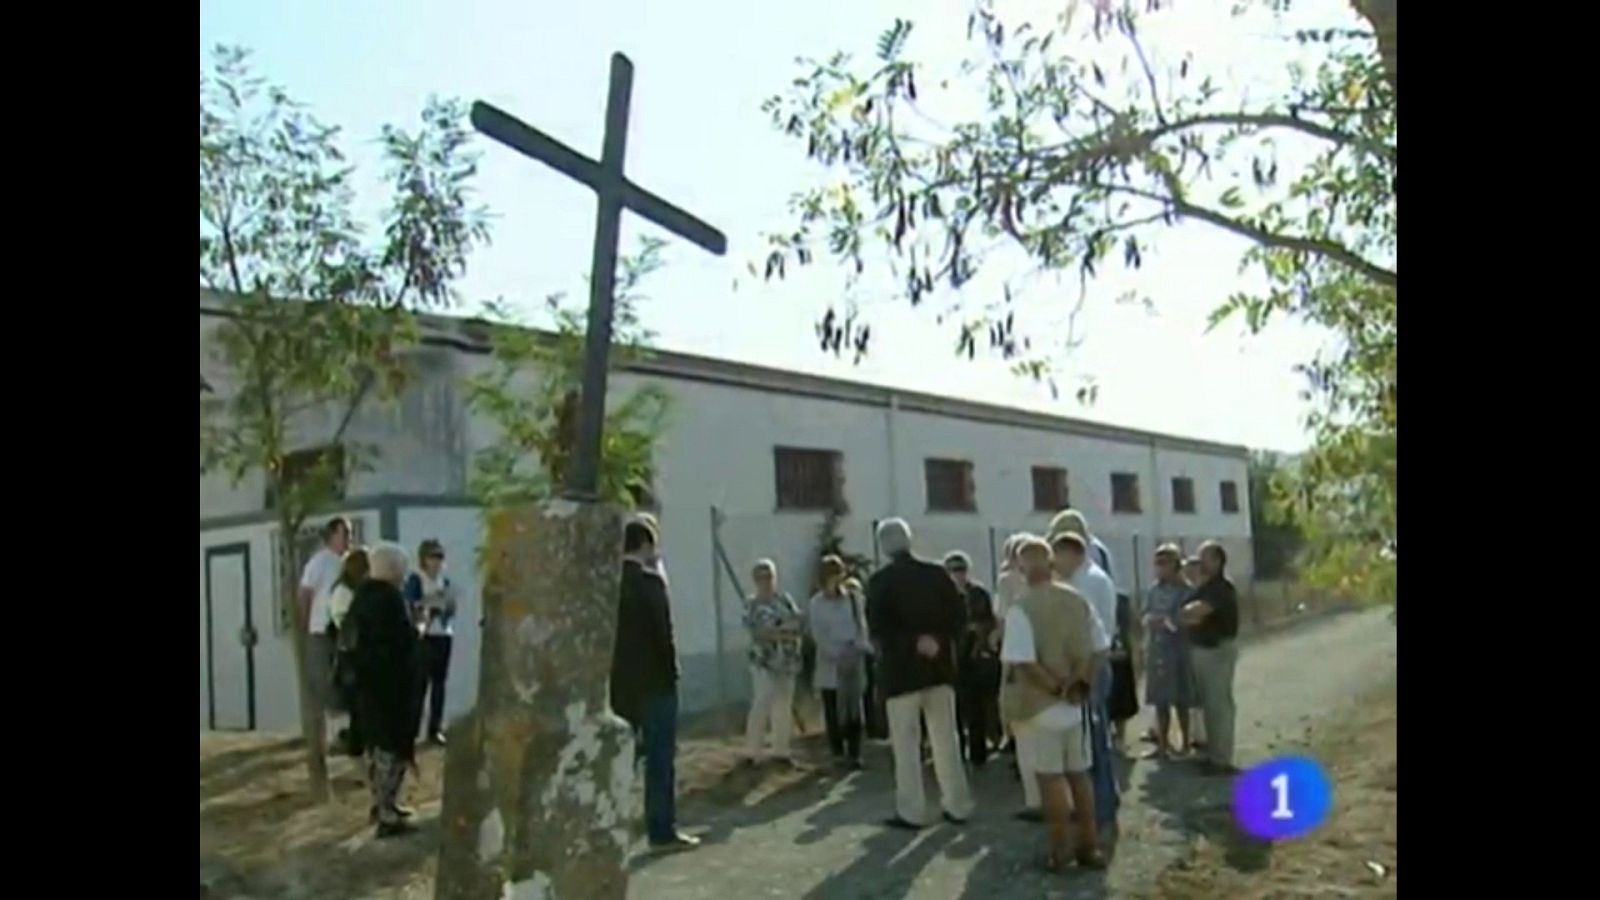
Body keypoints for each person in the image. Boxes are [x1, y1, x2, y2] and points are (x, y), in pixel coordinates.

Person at [1000, 535, 1106, 871]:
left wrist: (1056, 687)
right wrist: (1079, 683)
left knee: (1050, 779)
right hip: (1075, 704)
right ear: (1050, 563)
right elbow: (1097, 648)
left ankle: (1061, 852)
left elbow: (1024, 663)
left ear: (1020, 568)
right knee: (1080, 776)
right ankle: (1090, 847)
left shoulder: (1021, 608)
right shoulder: (1077, 600)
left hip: (1040, 704)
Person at [866, 518, 974, 829]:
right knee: (946, 739)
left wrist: (912, 642)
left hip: (901, 674)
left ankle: (912, 810)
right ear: (909, 540)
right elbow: (959, 615)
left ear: (884, 546)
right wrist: (938, 640)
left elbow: (879, 630)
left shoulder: (880, 582)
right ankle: (958, 804)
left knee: (906, 744)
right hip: (939, 669)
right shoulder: (937, 574)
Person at [610, 519, 699, 852]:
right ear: (645, 546)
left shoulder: (607, 583)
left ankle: (611, 828)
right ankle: (660, 829)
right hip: (655, 683)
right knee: (660, 759)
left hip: (619, 684)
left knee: (621, 757)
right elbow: (664, 633)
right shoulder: (651, 583)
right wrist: (672, 671)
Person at [1046, 529, 1120, 835]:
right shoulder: (1085, 579)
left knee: (1093, 741)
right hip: (1088, 665)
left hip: (1090, 667)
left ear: (1071, 553)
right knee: (1091, 740)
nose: (1054, 563)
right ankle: (1099, 803)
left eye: (1057, 556)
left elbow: (1087, 635)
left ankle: (1099, 809)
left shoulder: (1089, 582)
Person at [346, 542, 420, 838]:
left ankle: (383, 805)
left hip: (367, 685)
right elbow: (401, 641)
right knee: (392, 748)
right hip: (390, 686)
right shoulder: (389, 599)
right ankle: (387, 812)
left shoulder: (361, 597)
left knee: (379, 749)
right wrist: (419, 631)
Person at [1181, 541, 1241, 776]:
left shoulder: (1221, 588)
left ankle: (1221, 759)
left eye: (1204, 557)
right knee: (1206, 705)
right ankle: (1212, 753)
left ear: (1217, 561)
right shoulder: (1203, 586)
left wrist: (1189, 614)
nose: (1199, 560)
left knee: (1218, 705)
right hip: (1202, 649)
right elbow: (1187, 613)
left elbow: (1195, 612)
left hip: (1216, 650)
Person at [808, 555, 871, 770]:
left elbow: (862, 627)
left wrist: (857, 648)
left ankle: (854, 753)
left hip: (853, 658)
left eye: (838, 576)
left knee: (853, 708)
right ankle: (837, 752)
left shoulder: (853, 599)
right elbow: (818, 634)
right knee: (833, 708)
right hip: (831, 662)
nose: (835, 581)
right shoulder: (816, 604)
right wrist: (836, 653)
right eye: (830, 577)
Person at [742, 559, 805, 765]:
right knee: (762, 701)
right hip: (764, 661)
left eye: (769, 576)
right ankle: (753, 751)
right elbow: (759, 632)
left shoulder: (784, 600)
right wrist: (782, 631)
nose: (766, 581)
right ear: (755, 580)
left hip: (786, 660)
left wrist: (780, 631)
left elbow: (798, 624)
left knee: (783, 704)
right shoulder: (751, 604)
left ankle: (781, 751)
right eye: (761, 577)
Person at [299, 517, 351, 749]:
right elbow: (305, 593)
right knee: (323, 680)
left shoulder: (348, 563)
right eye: (345, 534)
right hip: (321, 629)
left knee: (341, 681)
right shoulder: (319, 562)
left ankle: (341, 734)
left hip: (342, 631)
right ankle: (324, 735)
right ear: (332, 535)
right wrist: (305, 624)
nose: (349, 539)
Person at [1140, 544, 1196, 758]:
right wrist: (1149, 621)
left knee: (1181, 698)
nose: (1160, 568)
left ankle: (1186, 743)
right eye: (1157, 563)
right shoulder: (1154, 590)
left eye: (1165, 563)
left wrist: (1168, 622)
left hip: (1179, 649)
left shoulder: (1187, 590)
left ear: (1176, 565)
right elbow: (1145, 612)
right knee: (1160, 699)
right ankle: (1162, 744)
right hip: (1157, 649)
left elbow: (1187, 618)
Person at [946, 551, 1000, 767]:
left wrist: (979, 631)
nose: (957, 575)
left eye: (960, 570)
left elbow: (990, 621)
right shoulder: (944, 597)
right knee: (955, 710)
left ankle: (978, 753)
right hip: (952, 659)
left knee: (977, 707)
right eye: (953, 570)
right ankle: (956, 753)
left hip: (976, 658)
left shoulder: (978, 594)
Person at [403, 539, 457, 746]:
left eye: (439, 557)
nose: (436, 562)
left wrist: (447, 606)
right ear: (423, 559)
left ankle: (435, 729)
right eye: (432, 557)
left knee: (439, 683)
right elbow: (411, 603)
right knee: (419, 684)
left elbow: (451, 608)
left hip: (442, 633)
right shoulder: (417, 579)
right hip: (424, 635)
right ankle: (412, 730)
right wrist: (430, 604)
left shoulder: (445, 581)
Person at [328, 547, 370, 758]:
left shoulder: (359, 590)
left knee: (363, 702)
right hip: (350, 653)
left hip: (362, 652)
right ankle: (353, 744)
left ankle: (359, 741)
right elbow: (344, 622)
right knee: (355, 701)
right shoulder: (342, 592)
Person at [846, 575, 889, 740]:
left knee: (873, 692)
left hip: (869, 652)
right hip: (854, 652)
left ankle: (876, 728)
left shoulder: (867, 606)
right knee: (859, 693)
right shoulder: (845, 608)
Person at [1181, 555, 1209, 751]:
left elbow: (1194, 618)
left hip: (1200, 644)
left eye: (1193, 568)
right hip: (1187, 645)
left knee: (1203, 695)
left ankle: (1203, 736)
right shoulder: (1190, 592)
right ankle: (1196, 735)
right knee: (1192, 694)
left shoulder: (1200, 592)